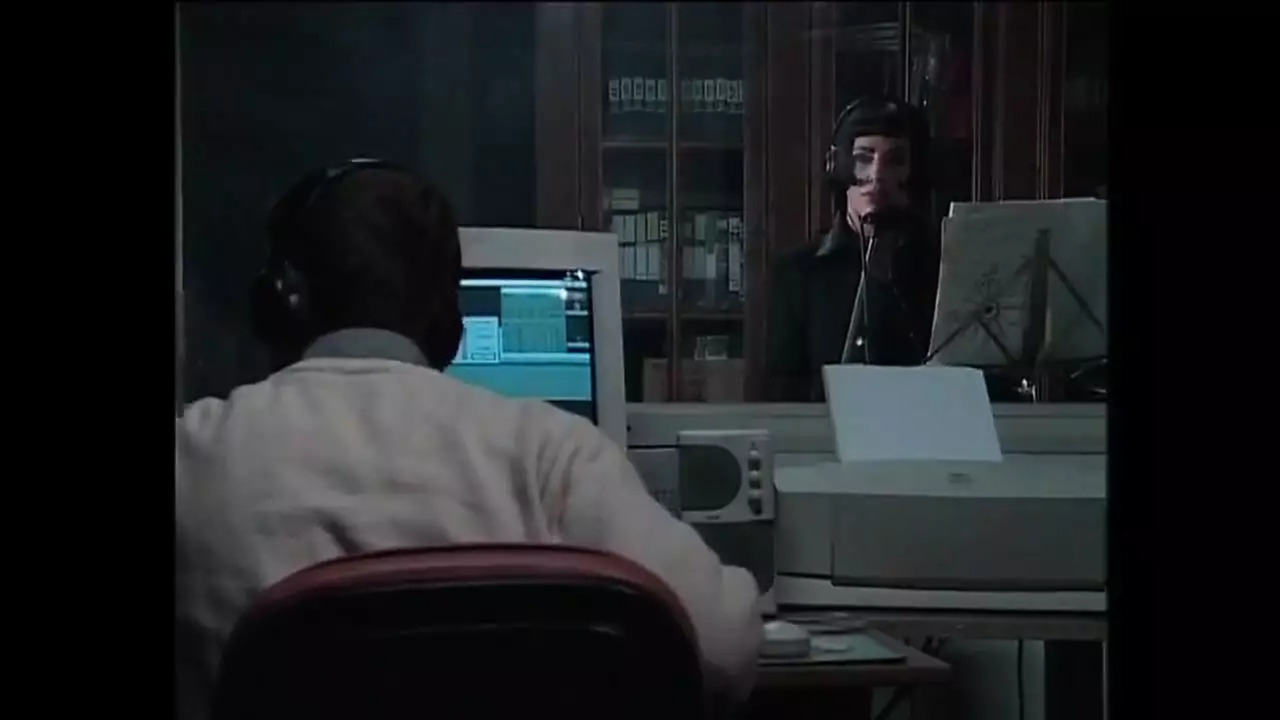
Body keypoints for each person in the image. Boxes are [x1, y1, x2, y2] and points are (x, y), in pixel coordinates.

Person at [175, 160, 763, 718]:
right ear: (449, 328)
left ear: (279, 302)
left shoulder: (192, 453)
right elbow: (723, 648)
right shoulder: (550, 454)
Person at [765, 95, 940, 401]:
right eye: (863, 158)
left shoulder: (944, 268)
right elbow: (782, 396)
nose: (877, 175)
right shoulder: (797, 273)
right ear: (839, 167)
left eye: (895, 160)